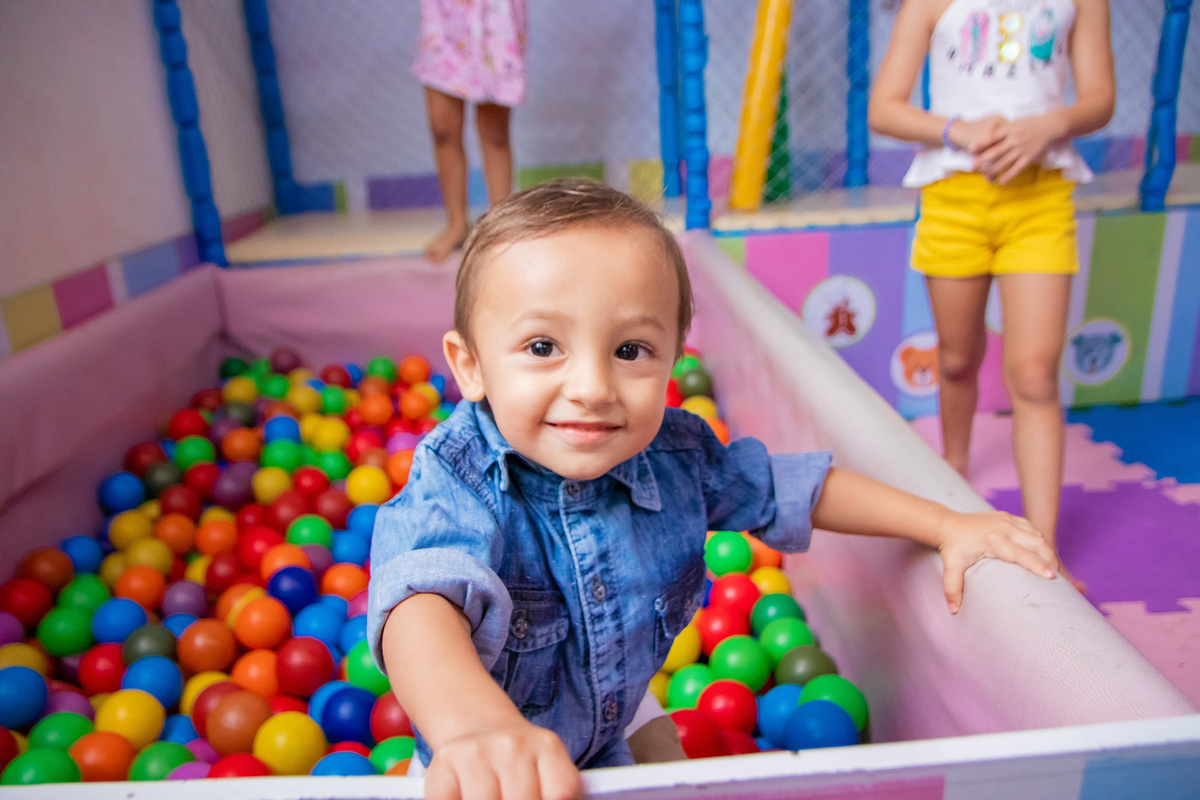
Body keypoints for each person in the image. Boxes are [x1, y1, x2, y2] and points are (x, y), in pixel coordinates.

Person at [367, 179, 1060, 800]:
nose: (591, 388)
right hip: (475, 758)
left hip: (607, 709)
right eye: (543, 347)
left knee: (663, 762)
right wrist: (476, 728)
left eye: (630, 350)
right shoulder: (457, 475)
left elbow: (799, 491)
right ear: (470, 366)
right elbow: (419, 608)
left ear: (674, 352)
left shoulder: (679, 454)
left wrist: (947, 525)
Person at [867, 0, 1115, 591]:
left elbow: (1100, 97)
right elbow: (885, 107)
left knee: (1033, 375)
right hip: (955, 200)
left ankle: (1044, 550)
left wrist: (1047, 125)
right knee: (956, 358)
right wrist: (957, 129)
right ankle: (954, 467)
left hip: (1041, 201)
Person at [414, 0, 528, 262]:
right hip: (446, 13)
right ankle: (456, 224)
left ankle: (501, 226)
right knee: (442, 127)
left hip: (494, 12)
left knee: (495, 132)